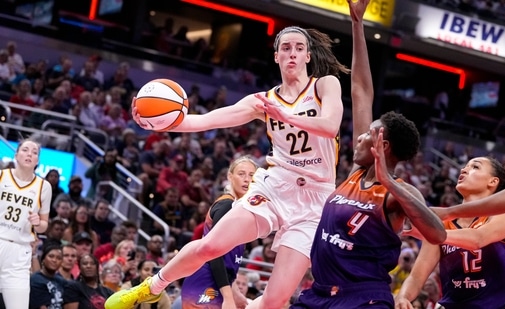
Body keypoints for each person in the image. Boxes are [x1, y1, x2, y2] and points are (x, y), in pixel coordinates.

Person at [106, 24, 349, 309]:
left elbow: (330, 126)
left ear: (308, 56)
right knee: (211, 246)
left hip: (316, 200)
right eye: (286, 48)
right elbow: (206, 120)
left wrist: (286, 115)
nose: (292, 54)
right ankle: (152, 286)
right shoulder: (263, 101)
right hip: (276, 186)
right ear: (276, 57)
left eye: (298, 48)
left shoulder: (325, 85)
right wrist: (155, 121)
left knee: (274, 301)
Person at [290, 1, 446, 308]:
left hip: (363, 299)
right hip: (319, 293)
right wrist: (357, 23)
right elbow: (361, 90)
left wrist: (390, 182)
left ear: (382, 144)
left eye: (367, 134)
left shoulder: (396, 193)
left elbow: (437, 234)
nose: (358, 137)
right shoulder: (356, 174)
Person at [394, 157, 505, 309]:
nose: (463, 170)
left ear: (493, 182)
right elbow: (417, 275)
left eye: (475, 167)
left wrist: (433, 233)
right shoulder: (442, 225)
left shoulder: (503, 215)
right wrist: (403, 296)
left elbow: (478, 239)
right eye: (465, 166)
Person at [180, 156, 258, 308]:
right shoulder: (226, 205)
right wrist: (228, 298)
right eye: (241, 174)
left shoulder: (240, 209)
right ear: (230, 176)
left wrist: (235, 294)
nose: (247, 179)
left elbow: (228, 266)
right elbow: (214, 255)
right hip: (204, 282)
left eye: (251, 175)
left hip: (217, 284)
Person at [0, 139, 52, 309]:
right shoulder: (2, 176)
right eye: (25, 150)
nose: (30, 154)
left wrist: (38, 223)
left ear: (37, 161)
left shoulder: (44, 187)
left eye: (34, 152)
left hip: (19, 253)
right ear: (16, 155)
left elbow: (44, 225)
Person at [29, 245, 65, 309]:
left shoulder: (60, 279)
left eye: (58, 258)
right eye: (51, 256)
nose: (54, 260)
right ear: (43, 259)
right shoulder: (36, 279)